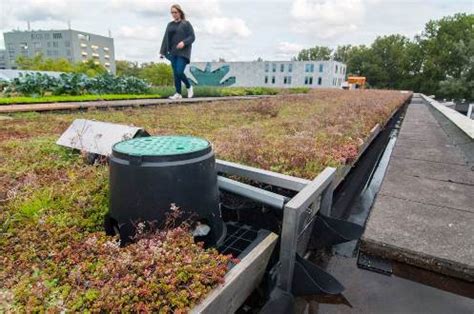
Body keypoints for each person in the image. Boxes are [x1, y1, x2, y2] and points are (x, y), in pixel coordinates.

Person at [160, 4, 195, 100]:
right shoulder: (170, 25)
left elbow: (192, 37)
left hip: (183, 53)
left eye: (175, 12)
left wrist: (184, 42)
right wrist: (162, 51)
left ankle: (188, 86)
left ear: (180, 12)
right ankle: (178, 93)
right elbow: (165, 38)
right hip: (172, 52)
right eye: (172, 12)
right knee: (175, 73)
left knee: (179, 72)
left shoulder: (186, 24)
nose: (174, 14)